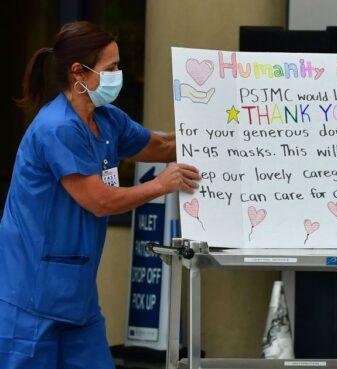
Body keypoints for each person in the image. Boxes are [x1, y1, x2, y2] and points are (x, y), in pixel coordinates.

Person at [0, 21, 201, 369]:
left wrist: (218, 138)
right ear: (79, 72)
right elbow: (99, 201)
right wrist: (160, 185)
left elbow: (162, 145)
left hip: (78, 297)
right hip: (30, 298)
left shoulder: (106, 120)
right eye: (111, 68)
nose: (119, 74)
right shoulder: (58, 128)